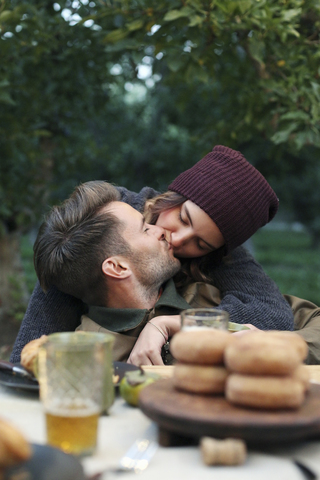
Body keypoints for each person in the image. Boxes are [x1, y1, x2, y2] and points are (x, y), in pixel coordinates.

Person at [10, 146, 294, 363]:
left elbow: (273, 313)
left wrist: (173, 324)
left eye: (201, 244)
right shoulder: (106, 218)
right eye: (183, 218)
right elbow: (34, 342)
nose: (178, 239)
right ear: (174, 194)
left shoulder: (218, 251)